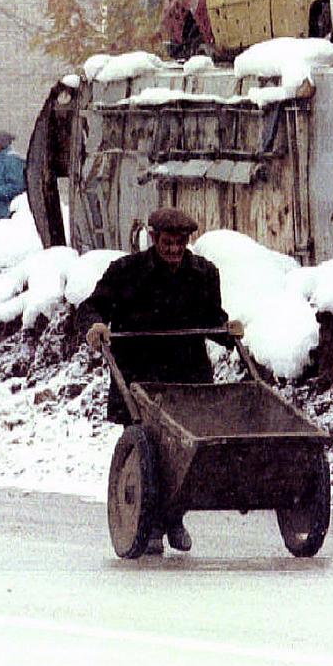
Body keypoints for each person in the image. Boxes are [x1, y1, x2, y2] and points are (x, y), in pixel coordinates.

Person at [83, 207, 241, 555]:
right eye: (167, 242)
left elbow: (212, 318)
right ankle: (151, 523)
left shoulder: (203, 273)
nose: (173, 249)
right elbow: (92, 307)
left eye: (180, 243)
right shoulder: (125, 272)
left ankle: (174, 518)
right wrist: (96, 326)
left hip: (187, 376)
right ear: (153, 238)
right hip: (140, 374)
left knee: (185, 451)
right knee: (150, 453)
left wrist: (229, 332)